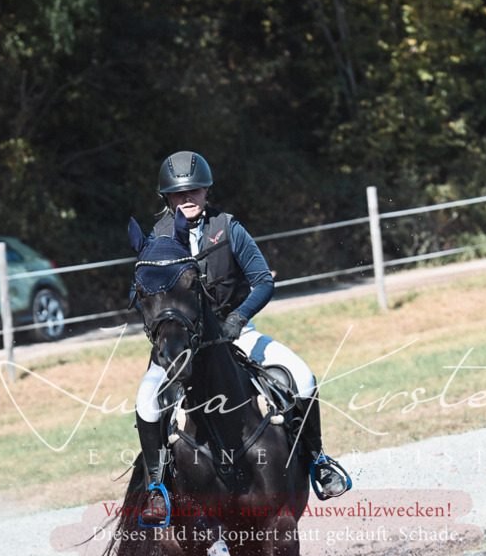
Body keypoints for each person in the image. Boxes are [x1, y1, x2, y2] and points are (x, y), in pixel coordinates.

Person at [133, 150, 351, 522]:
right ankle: (156, 488)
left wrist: (237, 319)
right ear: (167, 198)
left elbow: (263, 282)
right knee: (145, 403)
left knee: (301, 376)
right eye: (179, 194)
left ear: (206, 191)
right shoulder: (158, 239)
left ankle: (317, 460)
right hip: (182, 345)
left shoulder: (229, 228)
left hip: (236, 332)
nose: (187, 199)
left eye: (195, 191)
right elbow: (147, 296)